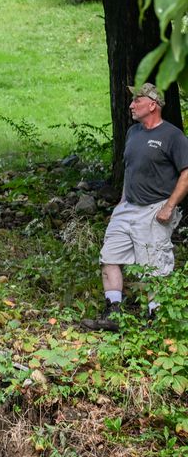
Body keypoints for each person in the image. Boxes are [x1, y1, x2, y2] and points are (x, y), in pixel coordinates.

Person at [83, 83, 188, 331]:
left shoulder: (173, 136)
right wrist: (121, 203)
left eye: (136, 101)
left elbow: (186, 173)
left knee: (153, 268)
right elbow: (130, 171)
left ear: (152, 105)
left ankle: (156, 320)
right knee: (109, 256)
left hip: (155, 209)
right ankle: (113, 314)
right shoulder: (133, 133)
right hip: (127, 207)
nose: (131, 105)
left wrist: (169, 206)